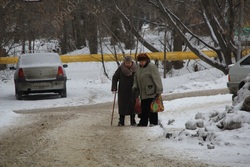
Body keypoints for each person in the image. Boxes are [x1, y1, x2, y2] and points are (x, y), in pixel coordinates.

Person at [132, 53, 163, 127]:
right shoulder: (138, 68)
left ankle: (153, 122)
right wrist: (135, 86)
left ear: (146, 60)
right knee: (144, 107)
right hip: (142, 92)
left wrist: (159, 90)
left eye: (143, 61)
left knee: (152, 107)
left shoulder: (151, 67)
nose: (142, 63)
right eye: (140, 61)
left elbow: (157, 78)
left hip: (151, 90)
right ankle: (143, 122)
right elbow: (136, 78)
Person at [111, 55, 137, 126]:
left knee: (133, 105)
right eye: (126, 63)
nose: (127, 64)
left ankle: (133, 121)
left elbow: (139, 78)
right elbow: (115, 77)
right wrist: (114, 87)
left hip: (133, 90)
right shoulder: (121, 69)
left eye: (129, 63)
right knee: (122, 105)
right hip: (123, 90)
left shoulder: (136, 69)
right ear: (124, 62)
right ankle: (121, 121)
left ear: (132, 62)